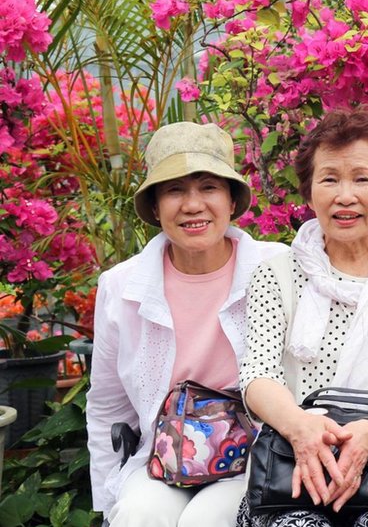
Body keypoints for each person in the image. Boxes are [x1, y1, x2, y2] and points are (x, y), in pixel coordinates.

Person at [236, 107, 368, 527]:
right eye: (329, 178)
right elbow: (257, 375)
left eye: (362, 179)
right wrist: (302, 430)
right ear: (309, 193)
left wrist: (365, 436)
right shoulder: (276, 274)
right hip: (291, 463)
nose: (344, 195)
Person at [88, 122, 289, 526]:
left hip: (258, 453)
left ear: (232, 201)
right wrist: (106, 497)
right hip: (163, 458)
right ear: (156, 206)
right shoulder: (121, 286)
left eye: (209, 187)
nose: (193, 205)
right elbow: (108, 405)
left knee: (205, 520)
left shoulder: (277, 268)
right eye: (175, 190)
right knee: (136, 515)